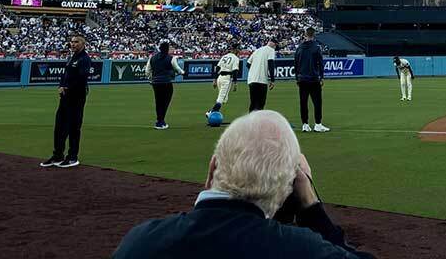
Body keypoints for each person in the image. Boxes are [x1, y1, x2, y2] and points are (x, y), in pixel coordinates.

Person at [112, 110, 375, 259]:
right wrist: (310, 205)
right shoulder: (303, 249)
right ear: (288, 189)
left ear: (213, 168)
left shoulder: (140, 242)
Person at [40, 35, 92, 168]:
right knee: (59, 126)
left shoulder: (84, 59)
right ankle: (57, 155)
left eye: (76, 42)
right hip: (65, 97)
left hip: (76, 96)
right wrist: (61, 86)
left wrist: (67, 87)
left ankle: (73, 157)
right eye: (72, 42)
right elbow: (65, 75)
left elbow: (82, 78)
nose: (73, 44)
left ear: (83, 44)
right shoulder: (71, 58)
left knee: (74, 127)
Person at [294, 28, 329, 132]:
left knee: (303, 102)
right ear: (314, 35)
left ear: (305, 34)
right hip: (313, 78)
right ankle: (318, 124)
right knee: (317, 102)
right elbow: (320, 63)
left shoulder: (299, 47)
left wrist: (297, 77)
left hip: (302, 79)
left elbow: (296, 63)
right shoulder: (316, 47)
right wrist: (322, 77)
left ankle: (305, 124)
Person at [145, 39, 185, 130]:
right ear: (167, 49)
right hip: (166, 82)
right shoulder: (171, 58)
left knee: (158, 102)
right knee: (165, 102)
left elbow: (147, 71)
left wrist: (152, 78)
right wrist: (182, 72)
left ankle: (159, 120)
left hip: (155, 83)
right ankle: (161, 121)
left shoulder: (152, 58)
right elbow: (178, 69)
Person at [207, 45, 241, 118]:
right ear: (236, 51)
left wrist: (215, 80)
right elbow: (235, 71)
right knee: (221, 99)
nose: (239, 52)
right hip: (227, 79)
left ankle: (215, 112)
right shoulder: (235, 58)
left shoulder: (224, 56)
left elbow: (217, 68)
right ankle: (210, 113)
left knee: (222, 98)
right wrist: (235, 83)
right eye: (238, 51)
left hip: (220, 78)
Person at [247, 40, 277, 112]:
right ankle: (258, 122)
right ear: (274, 45)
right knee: (260, 104)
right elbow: (271, 64)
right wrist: (272, 80)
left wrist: (254, 70)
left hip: (251, 80)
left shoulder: (257, 50)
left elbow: (248, 64)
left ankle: (250, 121)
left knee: (253, 103)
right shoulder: (271, 50)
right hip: (261, 80)